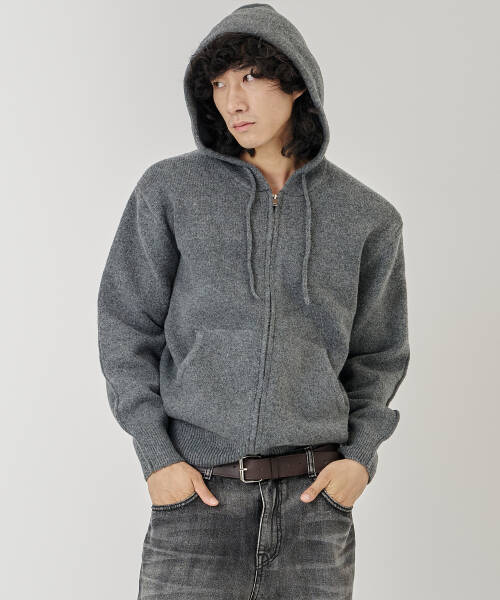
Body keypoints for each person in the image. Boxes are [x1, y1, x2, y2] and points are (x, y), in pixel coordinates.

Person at [97, 3, 410, 598]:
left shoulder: (368, 217)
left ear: (296, 84)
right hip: (197, 500)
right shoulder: (169, 190)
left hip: (315, 508)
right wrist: (157, 456)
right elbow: (126, 326)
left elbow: (379, 356)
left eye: (249, 78)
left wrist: (360, 459)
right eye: (218, 84)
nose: (232, 101)